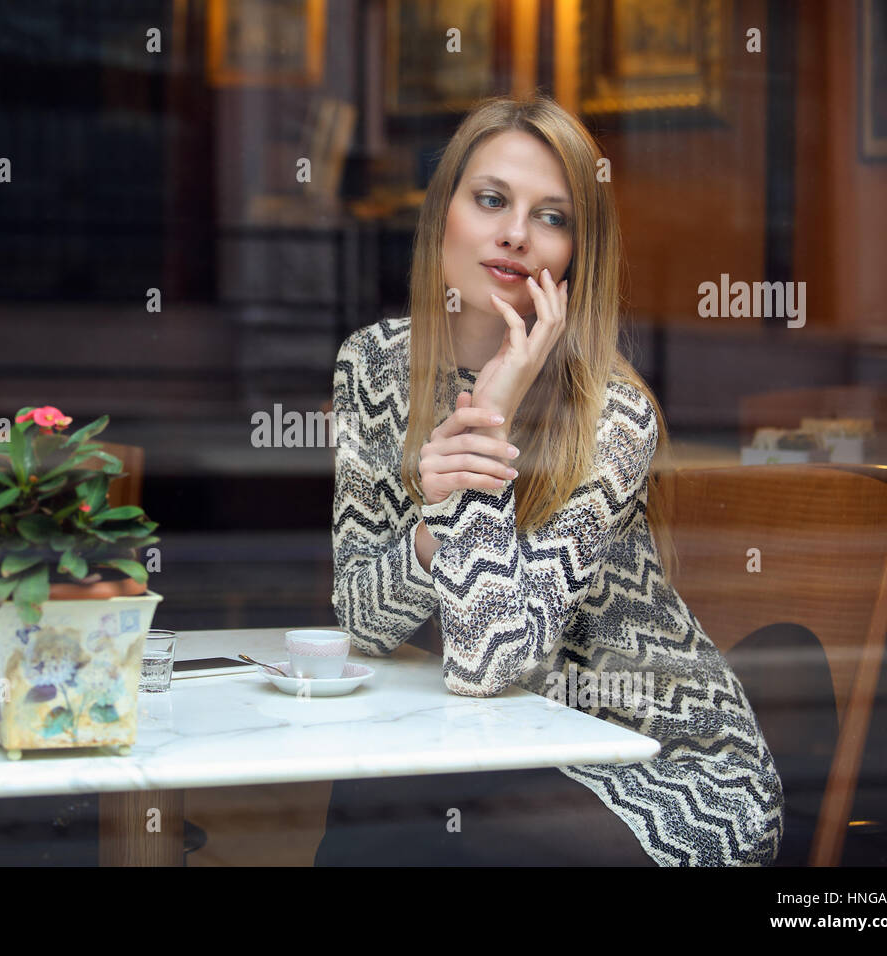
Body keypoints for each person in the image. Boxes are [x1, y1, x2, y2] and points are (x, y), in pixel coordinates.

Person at [316, 93, 786, 866]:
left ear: (575, 254)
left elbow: (488, 659)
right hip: (495, 743)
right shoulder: (372, 366)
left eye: (552, 217)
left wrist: (486, 427)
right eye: (492, 199)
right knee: (370, 793)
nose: (514, 235)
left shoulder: (611, 415)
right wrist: (435, 531)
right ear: (443, 215)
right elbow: (362, 619)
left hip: (659, 764)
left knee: (425, 818)